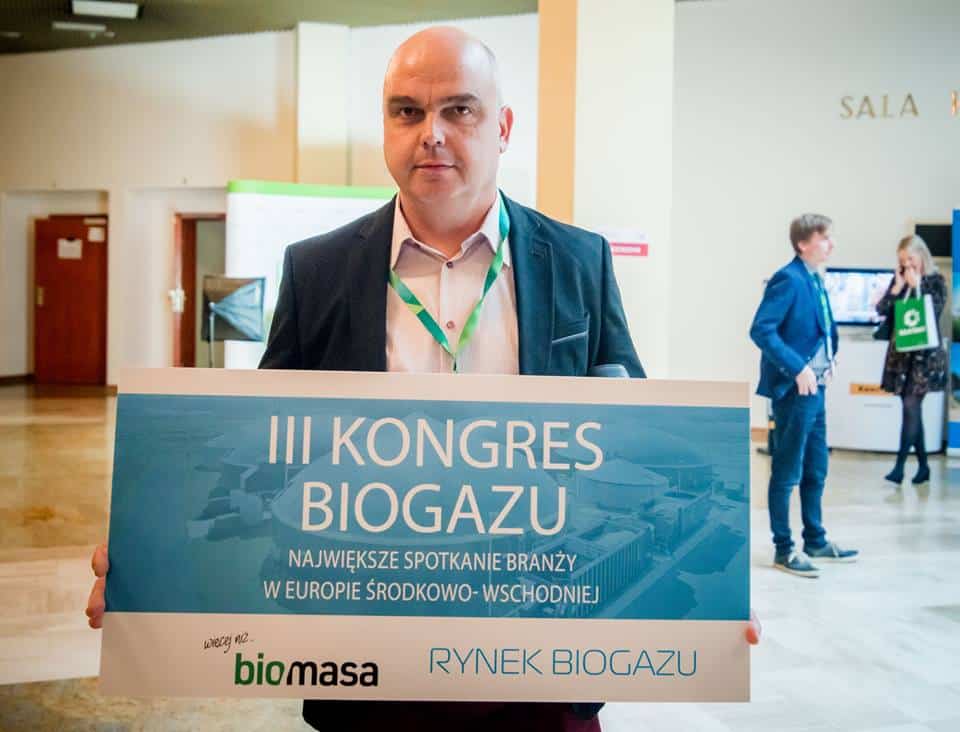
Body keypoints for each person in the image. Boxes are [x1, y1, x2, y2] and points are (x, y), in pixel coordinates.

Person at [87, 26, 760, 732]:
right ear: (386, 127)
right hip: (367, 658)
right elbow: (268, 443)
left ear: (503, 127)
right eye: (407, 111)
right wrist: (149, 558)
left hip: (540, 657)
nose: (431, 133)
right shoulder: (317, 271)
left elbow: (631, 431)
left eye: (459, 109)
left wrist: (715, 587)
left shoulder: (577, 260)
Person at [750, 214, 859, 578]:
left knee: (816, 467)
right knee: (787, 470)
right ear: (803, 243)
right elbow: (762, 330)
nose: (831, 244)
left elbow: (818, 329)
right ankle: (784, 549)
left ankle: (815, 539)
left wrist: (831, 356)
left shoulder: (813, 278)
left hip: (816, 389)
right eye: (824, 237)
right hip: (795, 390)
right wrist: (798, 367)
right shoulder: (788, 278)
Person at [876, 235, 948, 485]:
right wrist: (896, 289)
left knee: (910, 408)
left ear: (922, 255)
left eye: (910, 258)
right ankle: (924, 467)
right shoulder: (899, 281)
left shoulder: (936, 281)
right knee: (912, 412)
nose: (907, 264)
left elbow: (933, 312)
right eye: (902, 260)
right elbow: (882, 311)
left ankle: (899, 467)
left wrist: (917, 288)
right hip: (900, 358)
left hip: (924, 359)